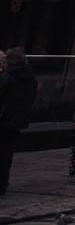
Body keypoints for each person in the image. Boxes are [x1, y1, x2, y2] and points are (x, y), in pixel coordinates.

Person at [0, 48, 38, 197]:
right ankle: (2, 183)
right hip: (17, 122)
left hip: (3, 119)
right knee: (6, 153)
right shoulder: (31, 79)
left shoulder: (7, 77)